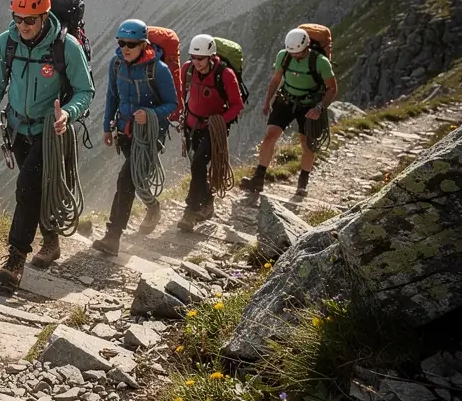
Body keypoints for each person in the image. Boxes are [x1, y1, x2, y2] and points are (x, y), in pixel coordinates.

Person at [0, 0, 94, 288]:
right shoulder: (7, 42)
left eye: (29, 19)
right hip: (17, 128)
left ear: (44, 15)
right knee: (38, 188)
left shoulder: (66, 46)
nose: (22, 25)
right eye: (17, 18)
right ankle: (51, 241)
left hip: (49, 130)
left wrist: (68, 113)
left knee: (27, 187)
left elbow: (85, 90)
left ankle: (16, 259)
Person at [92, 19, 177, 255]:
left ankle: (112, 236)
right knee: (137, 179)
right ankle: (153, 206)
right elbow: (112, 96)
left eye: (131, 44)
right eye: (121, 43)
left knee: (126, 180)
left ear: (143, 44)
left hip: (151, 135)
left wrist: (150, 114)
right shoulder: (116, 63)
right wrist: (107, 127)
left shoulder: (158, 69)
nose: (126, 48)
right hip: (126, 132)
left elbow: (172, 104)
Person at [240, 27, 337, 197]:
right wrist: (267, 101)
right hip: (285, 100)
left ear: (307, 47)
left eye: (298, 53)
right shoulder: (283, 56)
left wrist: (319, 108)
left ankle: (303, 182)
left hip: (309, 105)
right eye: (292, 52)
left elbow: (332, 88)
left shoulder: (321, 62)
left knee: (307, 143)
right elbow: (276, 79)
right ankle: (258, 178)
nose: (294, 56)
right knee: (270, 135)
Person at [177, 34, 244, 232]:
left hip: (212, 128)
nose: (196, 62)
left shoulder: (225, 74)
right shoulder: (187, 69)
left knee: (198, 163)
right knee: (197, 166)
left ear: (211, 57)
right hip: (192, 125)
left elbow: (236, 105)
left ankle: (190, 210)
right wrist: (178, 113)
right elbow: (181, 94)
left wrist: (219, 122)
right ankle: (207, 203)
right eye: (194, 58)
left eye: (201, 59)